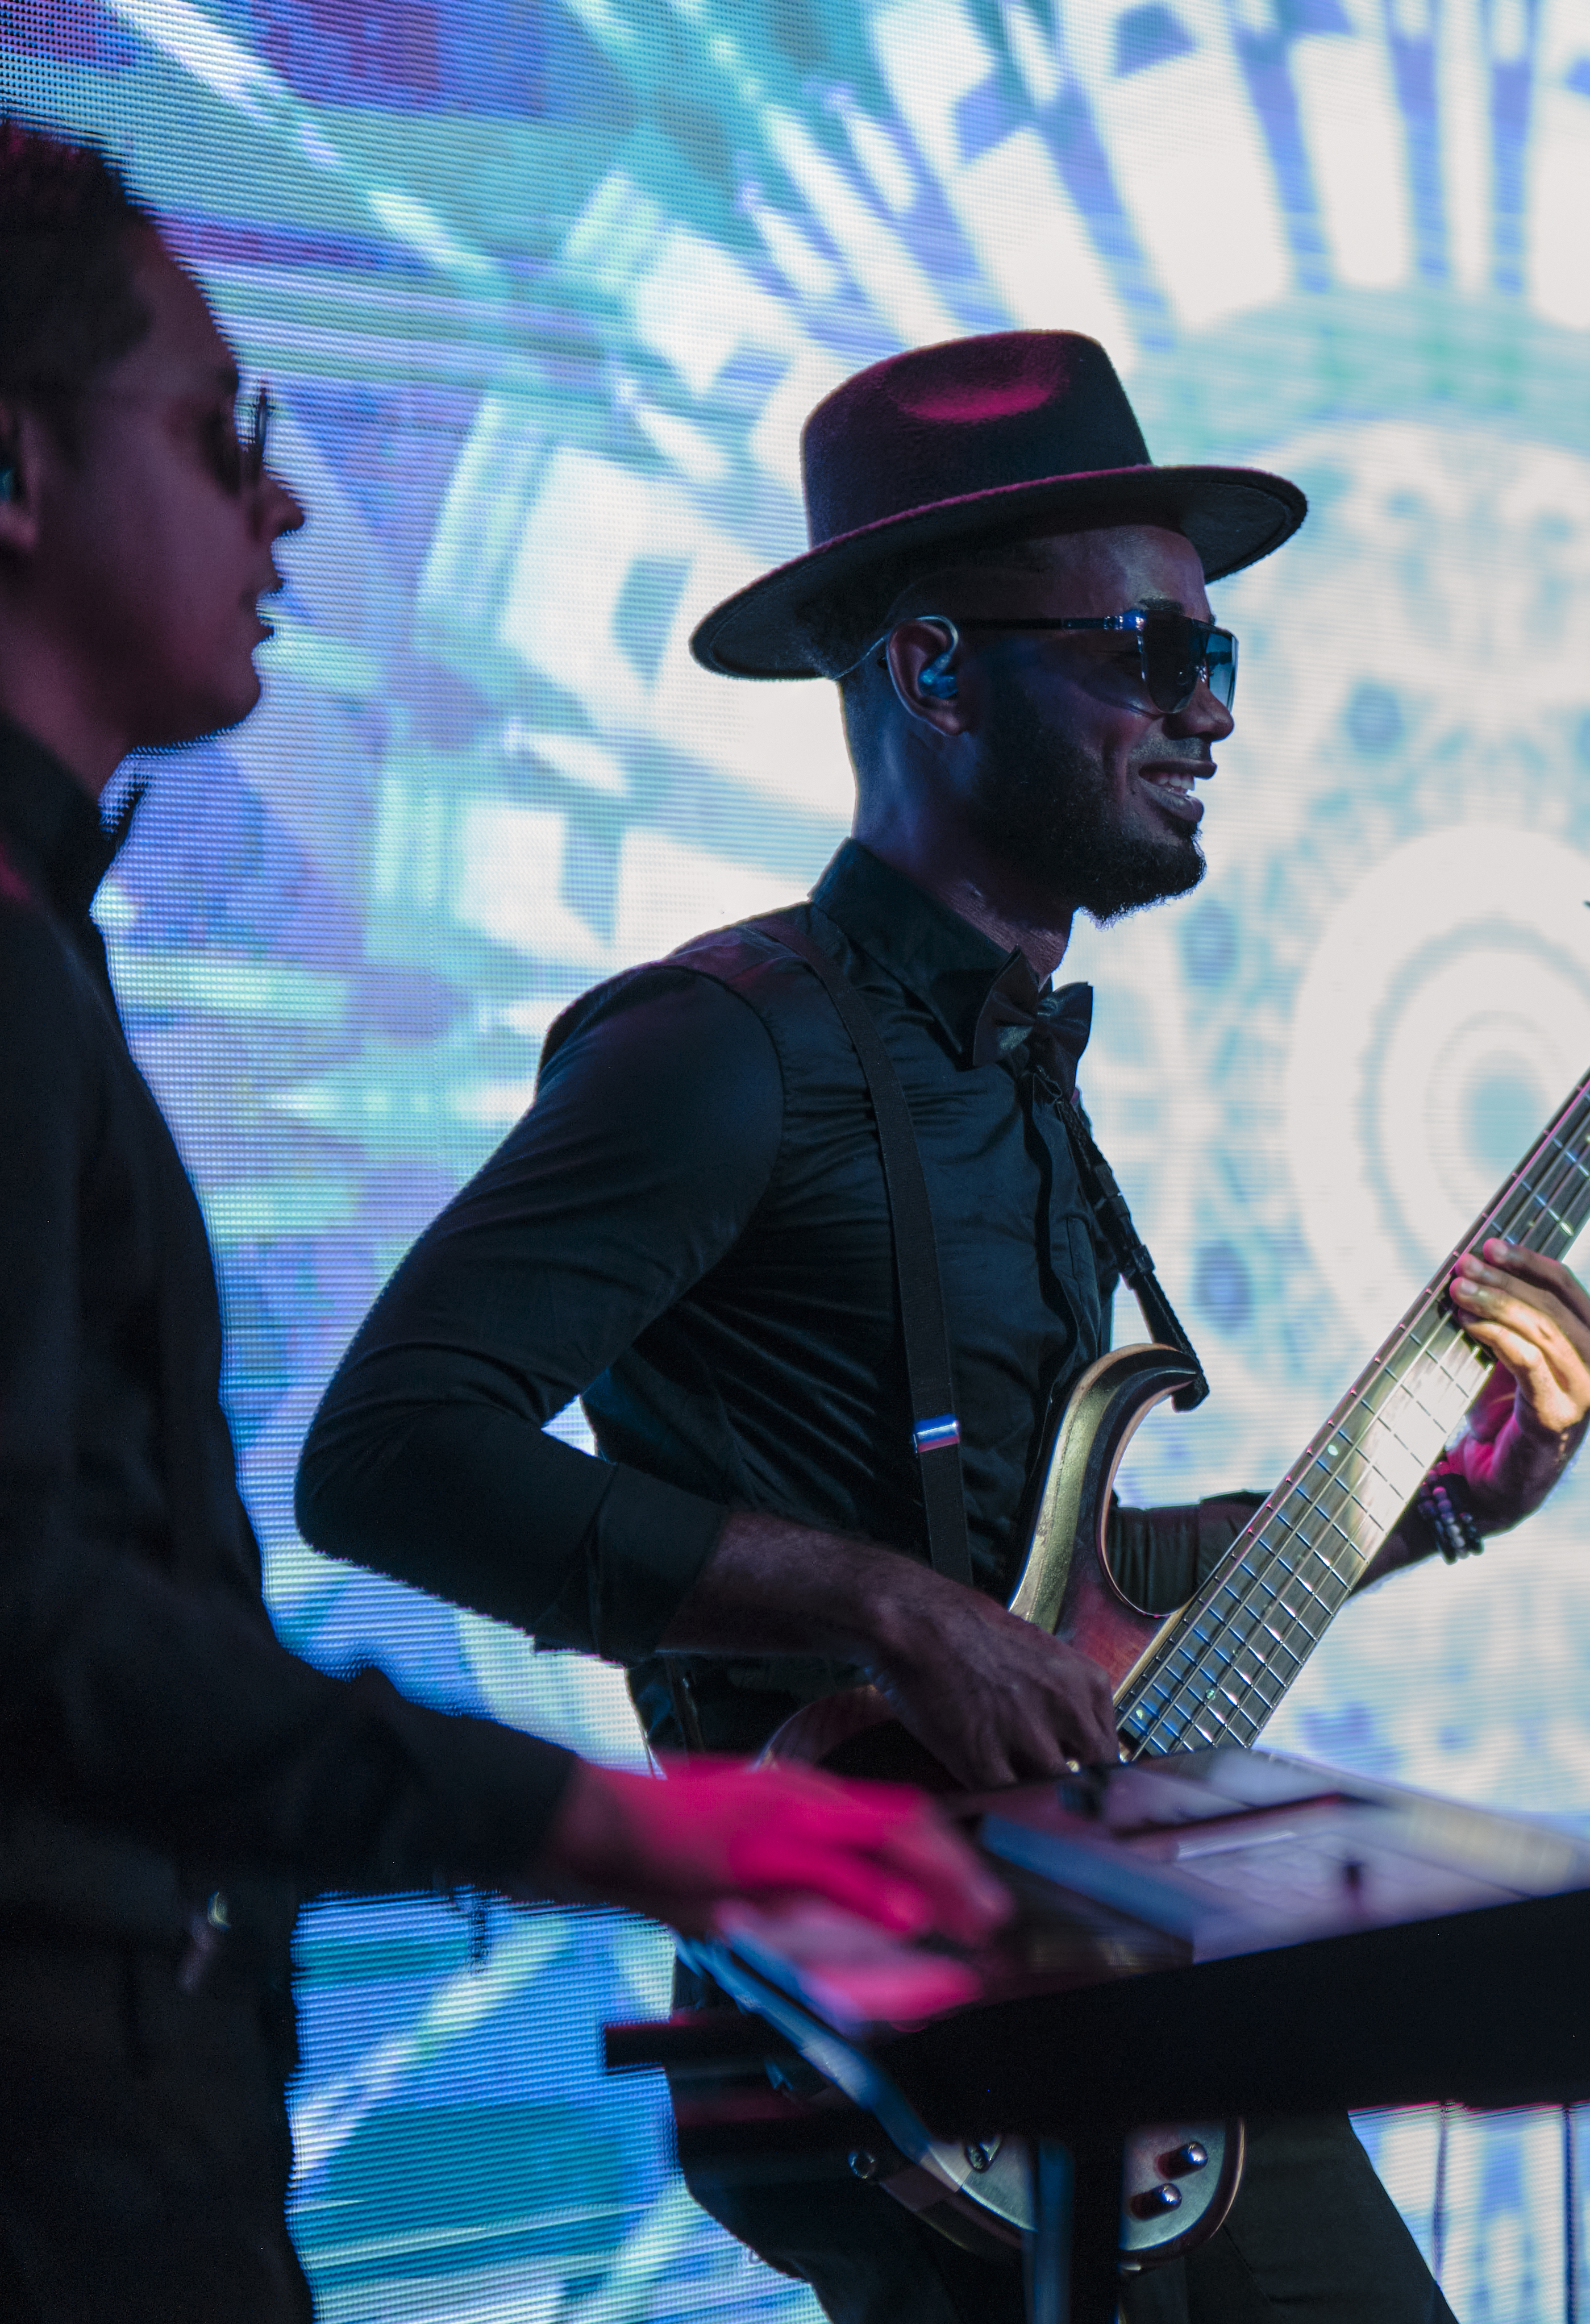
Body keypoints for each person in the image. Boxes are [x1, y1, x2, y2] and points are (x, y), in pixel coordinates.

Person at [293, 327, 1590, 2322]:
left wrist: (1425, 1502)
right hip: (873, 2009)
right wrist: (884, 1612)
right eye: (1147, 655)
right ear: (930, 667)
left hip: (1092, 1961)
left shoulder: (1018, 1071)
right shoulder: (715, 1051)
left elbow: (1044, 1604)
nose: (1209, 714)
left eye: (1218, 657)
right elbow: (387, 1459)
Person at [0, 122, 1007, 2323]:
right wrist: (621, 1824)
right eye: (217, 430)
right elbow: (55, 1618)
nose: (278, 503)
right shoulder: (718, 1042)